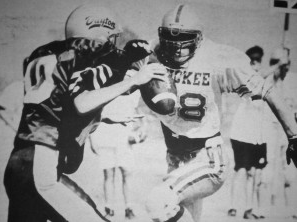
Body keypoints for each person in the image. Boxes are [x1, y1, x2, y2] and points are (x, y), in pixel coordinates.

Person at [125, 4, 297, 222]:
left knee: (158, 201)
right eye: (172, 42)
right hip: (175, 155)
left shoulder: (218, 58)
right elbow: (122, 74)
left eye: (184, 42)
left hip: (207, 157)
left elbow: (267, 91)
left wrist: (294, 135)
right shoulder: (152, 51)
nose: (177, 49)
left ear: (198, 39)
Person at [3, 3, 167, 222]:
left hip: (20, 161)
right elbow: (82, 102)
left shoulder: (47, 53)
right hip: (40, 163)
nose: (110, 45)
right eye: (109, 38)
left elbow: (69, 97)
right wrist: (136, 79)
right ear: (96, 34)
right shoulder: (79, 54)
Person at [90, 89, 147, 220]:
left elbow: (137, 108)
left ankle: (129, 208)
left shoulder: (131, 85)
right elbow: (94, 110)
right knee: (108, 174)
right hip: (105, 134)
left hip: (124, 135)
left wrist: (143, 126)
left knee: (127, 172)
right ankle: (109, 208)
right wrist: (91, 138)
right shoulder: (104, 85)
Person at [227, 46, 268, 219]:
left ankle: (250, 209)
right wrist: (279, 63)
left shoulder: (266, 80)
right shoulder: (245, 77)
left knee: (255, 173)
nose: (255, 65)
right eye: (252, 61)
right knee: (241, 171)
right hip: (241, 133)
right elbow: (255, 81)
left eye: (257, 61)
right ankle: (235, 207)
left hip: (258, 135)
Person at [263, 47, 297, 219]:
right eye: (275, 62)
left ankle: (291, 209)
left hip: (289, 133)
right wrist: (275, 68)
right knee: (268, 170)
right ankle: (266, 210)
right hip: (270, 129)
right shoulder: (268, 80)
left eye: (284, 64)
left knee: (290, 173)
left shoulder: (294, 81)